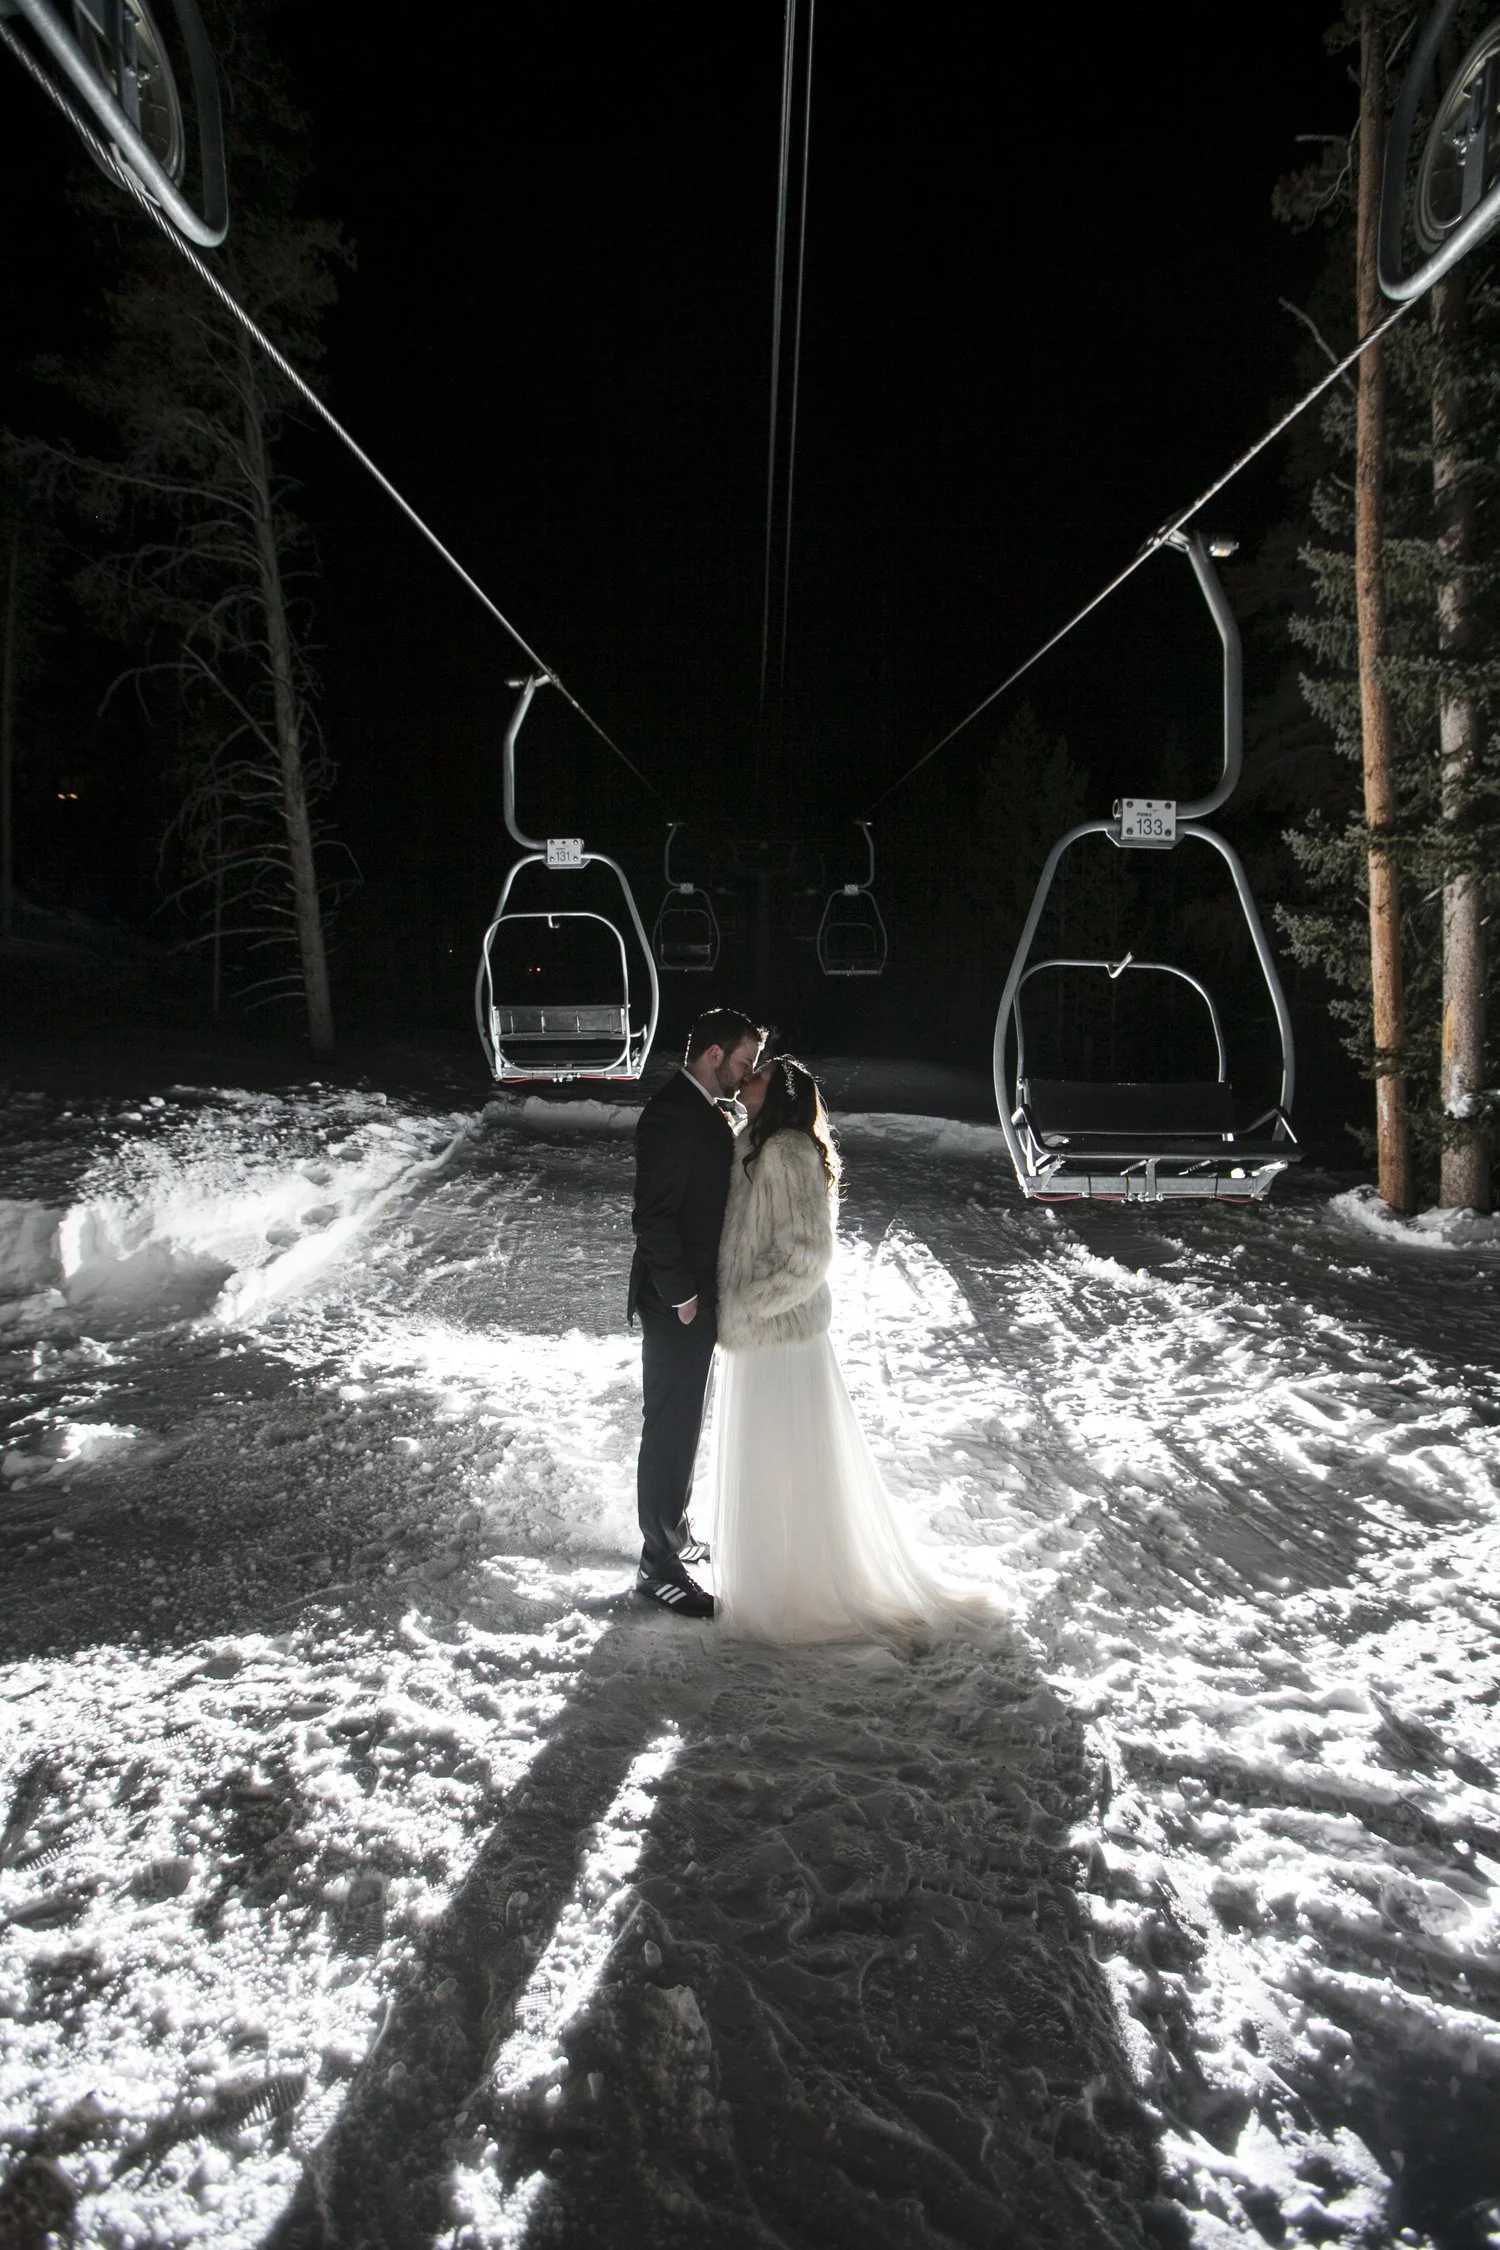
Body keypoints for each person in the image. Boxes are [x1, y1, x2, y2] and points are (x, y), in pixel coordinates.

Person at [712, 1054, 1002, 1645]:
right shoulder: (756, 1142)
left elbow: (807, 1255)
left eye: (759, 1076)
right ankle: (774, 1578)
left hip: (780, 1334)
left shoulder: (789, 1152)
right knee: (771, 1454)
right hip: (761, 1330)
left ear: (783, 1094)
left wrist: (749, 1301)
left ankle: (801, 1587)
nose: (747, 1079)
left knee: (788, 1458)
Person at [629, 1006, 765, 1618]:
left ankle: (675, 1534)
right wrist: (683, 1297)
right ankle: (656, 1565)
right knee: (670, 1426)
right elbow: (651, 1217)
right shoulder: (671, 1115)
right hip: (674, 1303)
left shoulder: (701, 1111)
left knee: (684, 1422)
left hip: (697, 1299)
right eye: (743, 1062)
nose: (746, 1075)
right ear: (714, 1054)